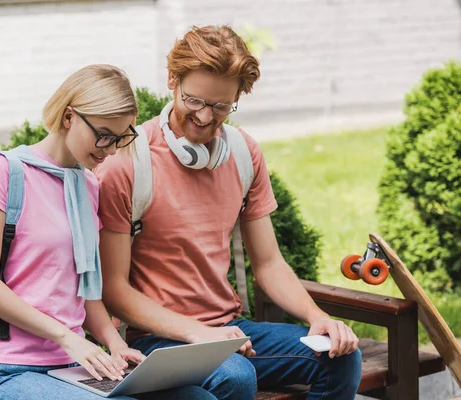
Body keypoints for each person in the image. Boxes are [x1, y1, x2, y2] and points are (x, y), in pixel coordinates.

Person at [94, 27, 363, 400]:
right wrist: (199, 334)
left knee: (340, 358)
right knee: (234, 375)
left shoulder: (242, 153)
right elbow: (114, 289)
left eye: (221, 106)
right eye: (194, 101)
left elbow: (268, 264)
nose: (205, 117)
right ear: (172, 80)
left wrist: (317, 317)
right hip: (157, 338)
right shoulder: (128, 165)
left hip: (231, 330)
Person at [0, 64, 217, 400]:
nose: (110, 149)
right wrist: (67, 337)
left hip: (74, 365)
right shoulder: (6, 171)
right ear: (69, 117)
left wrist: (115, 345)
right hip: (9, 367)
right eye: (104, 134)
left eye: (120, 137)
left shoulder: (88, 185)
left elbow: (87, 291)